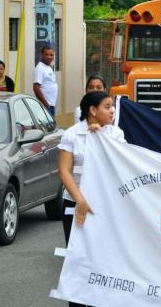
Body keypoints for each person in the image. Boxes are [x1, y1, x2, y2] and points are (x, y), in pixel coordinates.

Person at [58, 91, 126, 307]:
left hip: (105, 206)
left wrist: (100, 138)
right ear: (93, 110)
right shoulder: (71, 134)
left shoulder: (116, 134)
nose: (112, 110)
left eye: (112, 106)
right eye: (107, 106)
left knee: (103, 260)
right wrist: (80, 201)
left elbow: (120, 167)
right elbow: (64, 171)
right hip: (75, 204)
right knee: (78, 260)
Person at [33, 46, 57, 116]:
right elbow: (36, 88)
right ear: (42, 55)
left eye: (51, 55)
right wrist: (46, 104)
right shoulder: (40, 68)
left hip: (50, 105)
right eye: (46, 55)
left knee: (51, 126)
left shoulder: (48, 67)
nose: (49, 57)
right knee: (47, 127)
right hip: (45, 106)